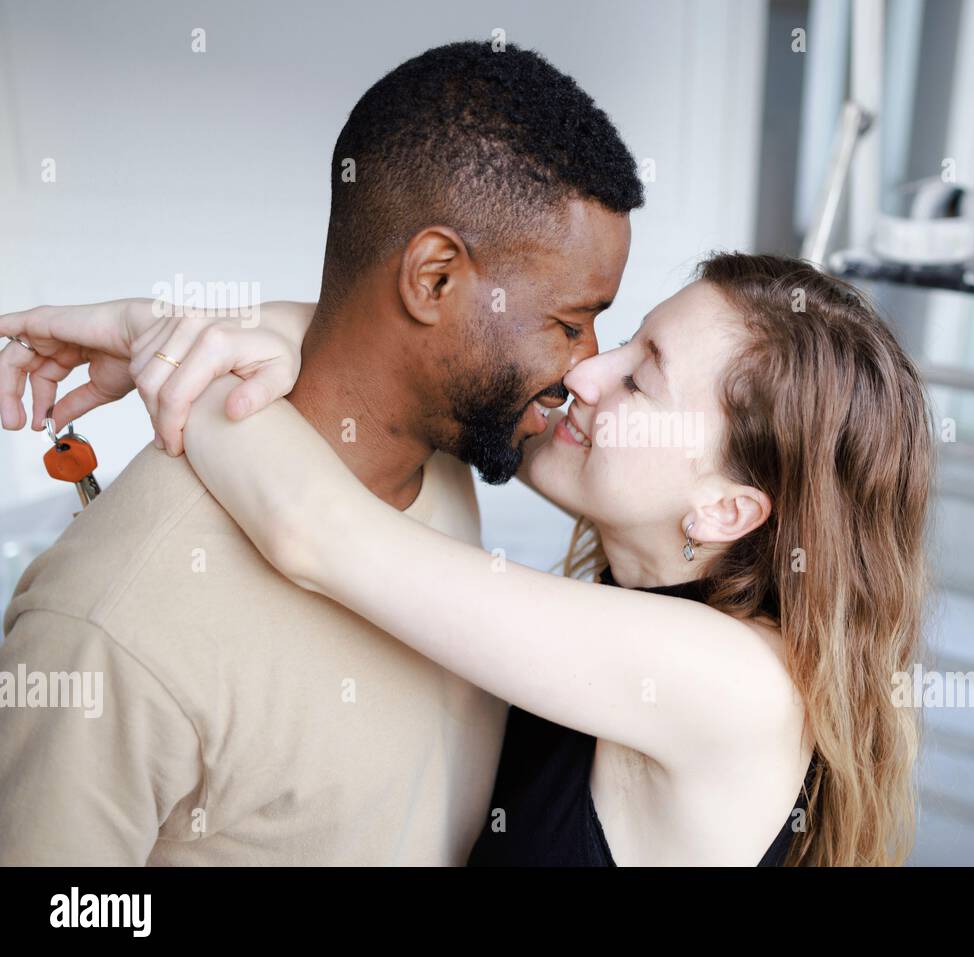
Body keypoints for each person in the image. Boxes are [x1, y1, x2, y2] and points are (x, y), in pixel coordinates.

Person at [1, 252, 935, 865]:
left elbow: (315, 534)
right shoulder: (656, 605)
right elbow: (410, 369)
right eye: (622, 338)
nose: (584, 373)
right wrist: (168, 324)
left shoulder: (734, 684)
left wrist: (157, 347)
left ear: (726, 507)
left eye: (642, 376)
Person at [0, 40, 644, 865]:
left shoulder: (446, 444)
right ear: (436, 279)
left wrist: (163, 323)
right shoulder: (111, 623)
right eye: (569, 323)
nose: (588, 366)